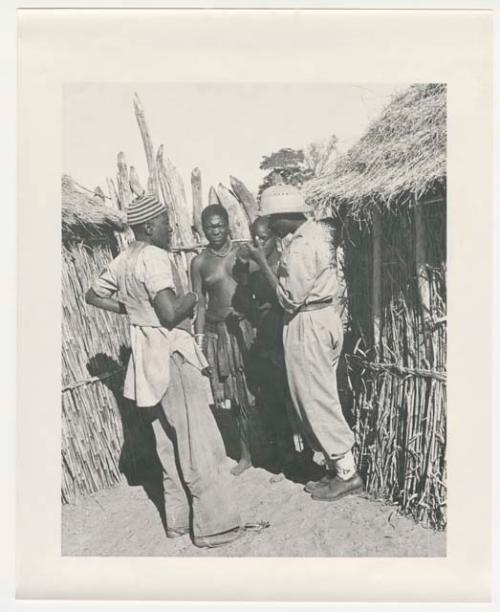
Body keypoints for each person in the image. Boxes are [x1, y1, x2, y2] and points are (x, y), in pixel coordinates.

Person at [85, 194, 242, 547]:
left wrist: (132, 310)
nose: (171, 230)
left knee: (167, 442)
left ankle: (178, 522)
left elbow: (92, 294)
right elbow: (170, 313)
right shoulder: (155, 257)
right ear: (149, 226)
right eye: (166, 224)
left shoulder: (124, 259)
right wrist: (193, 298)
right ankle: (213, 526)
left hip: (144, 359)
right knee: (198, 440)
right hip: (170, 354)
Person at [244, 184, 363, 501]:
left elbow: (288, 299)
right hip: (323, 317)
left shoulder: (298, 248)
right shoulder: (312, 236)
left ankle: (347, 473)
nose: (268, 226)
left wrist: (262, 262)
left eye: (271, 220)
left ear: (284, 218)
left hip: (307, 322)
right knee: (317, 393)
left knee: (314, 398)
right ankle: (337, 467)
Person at [190, 204, 255, 476]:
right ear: (203, 230)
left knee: (256, 390)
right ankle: (246, 455)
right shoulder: (200, 263)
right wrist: (201, 339)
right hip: (220, 333)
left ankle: (277, 449)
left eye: (219, 225)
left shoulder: (242, 253)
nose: (215, 231)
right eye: (209, 227)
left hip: (246, 330)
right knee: (234, 396)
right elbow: (200, 304)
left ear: (228, 225)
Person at [246, 217, 297, 481]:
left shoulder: (282, 264)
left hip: (286, 336)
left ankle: (303, 456)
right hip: (267, 337)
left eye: (263, 237)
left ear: (275, 238)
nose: (257, 243)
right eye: (254, 237)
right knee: (273, 398)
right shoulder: (256, 268)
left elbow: (283, 298)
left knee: (294, 397)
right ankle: (286, 454)